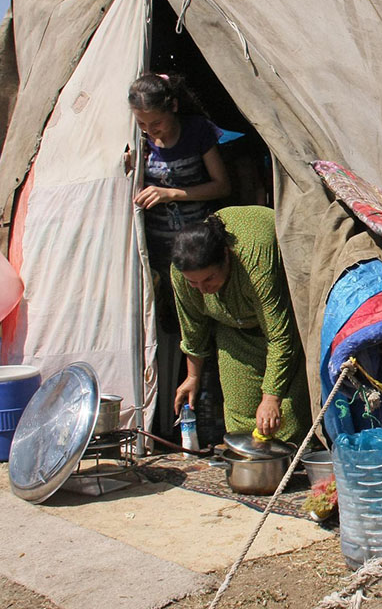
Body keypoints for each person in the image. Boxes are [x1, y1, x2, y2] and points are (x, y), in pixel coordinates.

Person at [170, 207, 311, 445]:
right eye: (194, 283)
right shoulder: (182, 273)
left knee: (285, 419)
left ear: (226, 256)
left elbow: (280, 337)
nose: (202, 289)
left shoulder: (256, 263)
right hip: (233, 328)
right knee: (241, 418)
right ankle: (250, 470)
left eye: (209, 279)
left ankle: (285, 468)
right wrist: (193, 376)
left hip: (283, 325)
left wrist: (271, 398)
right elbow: (193, 326)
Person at [127, 72, 231, 272]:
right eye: (142, 124)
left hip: (198, 244)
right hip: (156, 246)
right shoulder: (136, 140)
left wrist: (170, 194)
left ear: (173, 106)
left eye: (156, 123)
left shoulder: (197, 131)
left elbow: (222, 186)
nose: (150, 130)